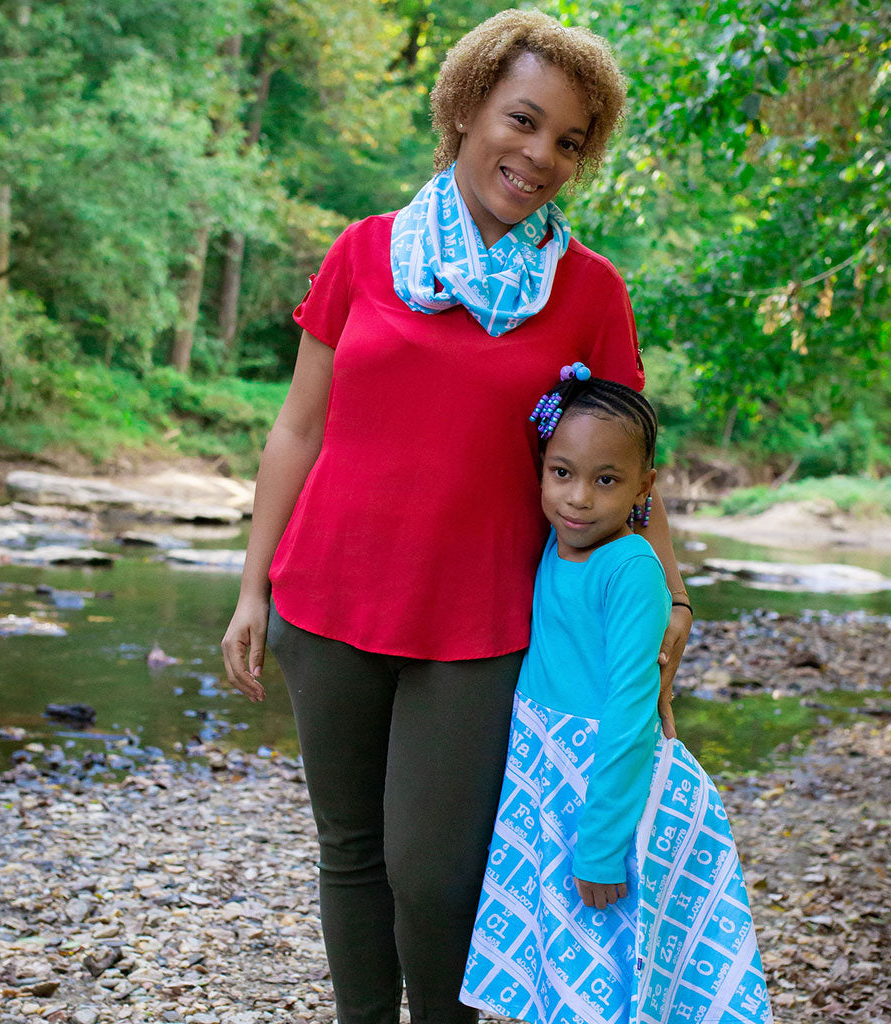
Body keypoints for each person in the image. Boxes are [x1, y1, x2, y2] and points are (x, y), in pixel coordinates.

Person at [221, 10, 694, 1023]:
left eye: (568, 141)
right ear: (467, 108)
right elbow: (297, 430)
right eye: (522, 121)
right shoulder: (364, 253)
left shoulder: (590, 291)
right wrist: (252, 584)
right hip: (326, 602)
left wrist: (669, 607)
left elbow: (627, 466)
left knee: (437, 876)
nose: (539, 156)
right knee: (349, 853)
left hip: (482, 629)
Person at [460, 368, 772, 1024]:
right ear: (542, 470)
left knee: (608, 959)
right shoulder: (560, 542)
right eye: (562, 473)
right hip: (555, 775)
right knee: (565, 952)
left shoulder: (630, 568)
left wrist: (601, 844)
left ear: (643, 487)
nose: (577, 499)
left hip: (611, 789)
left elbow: (630, 714)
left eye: (606, 481)